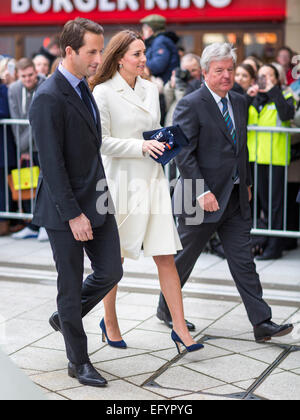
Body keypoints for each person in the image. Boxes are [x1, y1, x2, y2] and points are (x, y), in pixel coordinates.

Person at [156, 43, 294, 343]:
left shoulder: (240, 101)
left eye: (230, 69)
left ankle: (262, 322)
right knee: (184, 259)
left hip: (233, 199)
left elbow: (239, 148)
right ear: (205, 72)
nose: (226, 76)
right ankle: (166, 308)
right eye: (219, 70)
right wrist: (200, 191)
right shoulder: (191, 104)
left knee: (243, 261)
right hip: (199, 197)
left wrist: (244, 183)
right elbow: (184, 154)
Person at [91, 30, 203, 353]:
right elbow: (103, 142)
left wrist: (164, 141)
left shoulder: (152, 89)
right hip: (119, 183)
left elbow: (152, 129)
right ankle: (109, 322)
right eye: (137, 54)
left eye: (144, 52)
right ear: (119, 57)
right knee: (115, 259)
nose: (144, 59)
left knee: (166, 255)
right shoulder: (102, 92)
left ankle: (180, 329)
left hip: (153, 180)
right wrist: (141, 145)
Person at [29, 18, 123, 388]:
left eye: (100, 50)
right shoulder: (48, 96)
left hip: (97, 200)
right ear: (69, 52)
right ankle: (78, 360)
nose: (99, 58)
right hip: (64, 208)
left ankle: (66, 317)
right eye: (92, 52)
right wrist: (73, 214)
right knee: (69, 285)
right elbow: (51, 165)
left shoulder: (85, 87)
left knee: (111, 271)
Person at [247, 64, 296, 260]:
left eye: (269, 75)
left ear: (277, 78)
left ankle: (275, 246)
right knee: (254, 205)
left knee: (274, 206)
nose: (264, 79)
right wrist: (249, 96)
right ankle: (257, 244)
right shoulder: (252, 97)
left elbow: (286, 114)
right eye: (261, 75)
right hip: (253, 158)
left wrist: (274, 92)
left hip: (274, 158)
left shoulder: (285, 95)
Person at [8, 58, 47, 242]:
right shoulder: (14, 89)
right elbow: (16, 121)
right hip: (25, 147)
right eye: (23, 76)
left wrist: (26, 140)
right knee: (28, 186)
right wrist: (22, 148)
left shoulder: (45, 84)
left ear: (35, 73)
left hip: (44, 145)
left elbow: (38, 118)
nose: (28, 79)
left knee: (45, 186)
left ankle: (45, 225)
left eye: (31, 75)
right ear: (18, 75)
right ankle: (32, 224)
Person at [140, 14, 180, 84]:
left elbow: (158, 66)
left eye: (144, 28)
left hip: (163, 84)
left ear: (150, 29)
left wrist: (142, 62)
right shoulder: (159, 40)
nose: (143, 31)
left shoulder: (159, 42)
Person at [164, 53, 202, 126]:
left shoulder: (201, 87)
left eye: (193, 70)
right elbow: (167, 103)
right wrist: (171, 86)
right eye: (185, 71)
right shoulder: (177, 83)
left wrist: (181, 89)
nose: (189, 75)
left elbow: (185, 105)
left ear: (200, 70)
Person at [0, 73, 16, 236]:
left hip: (5, 149)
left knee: (4, 187)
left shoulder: (4, 90)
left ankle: (5, 222)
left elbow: (5, 111)